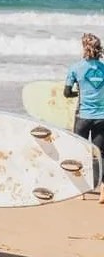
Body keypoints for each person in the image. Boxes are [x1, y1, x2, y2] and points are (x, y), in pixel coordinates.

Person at [63, 33, 104, 204]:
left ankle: (81, 191)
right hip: (102, 117)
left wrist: (77, 93)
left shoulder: (75, 68)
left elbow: (66, 93)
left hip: (82, 116)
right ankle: (103, 191)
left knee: (79, 151)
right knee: (100, 154)